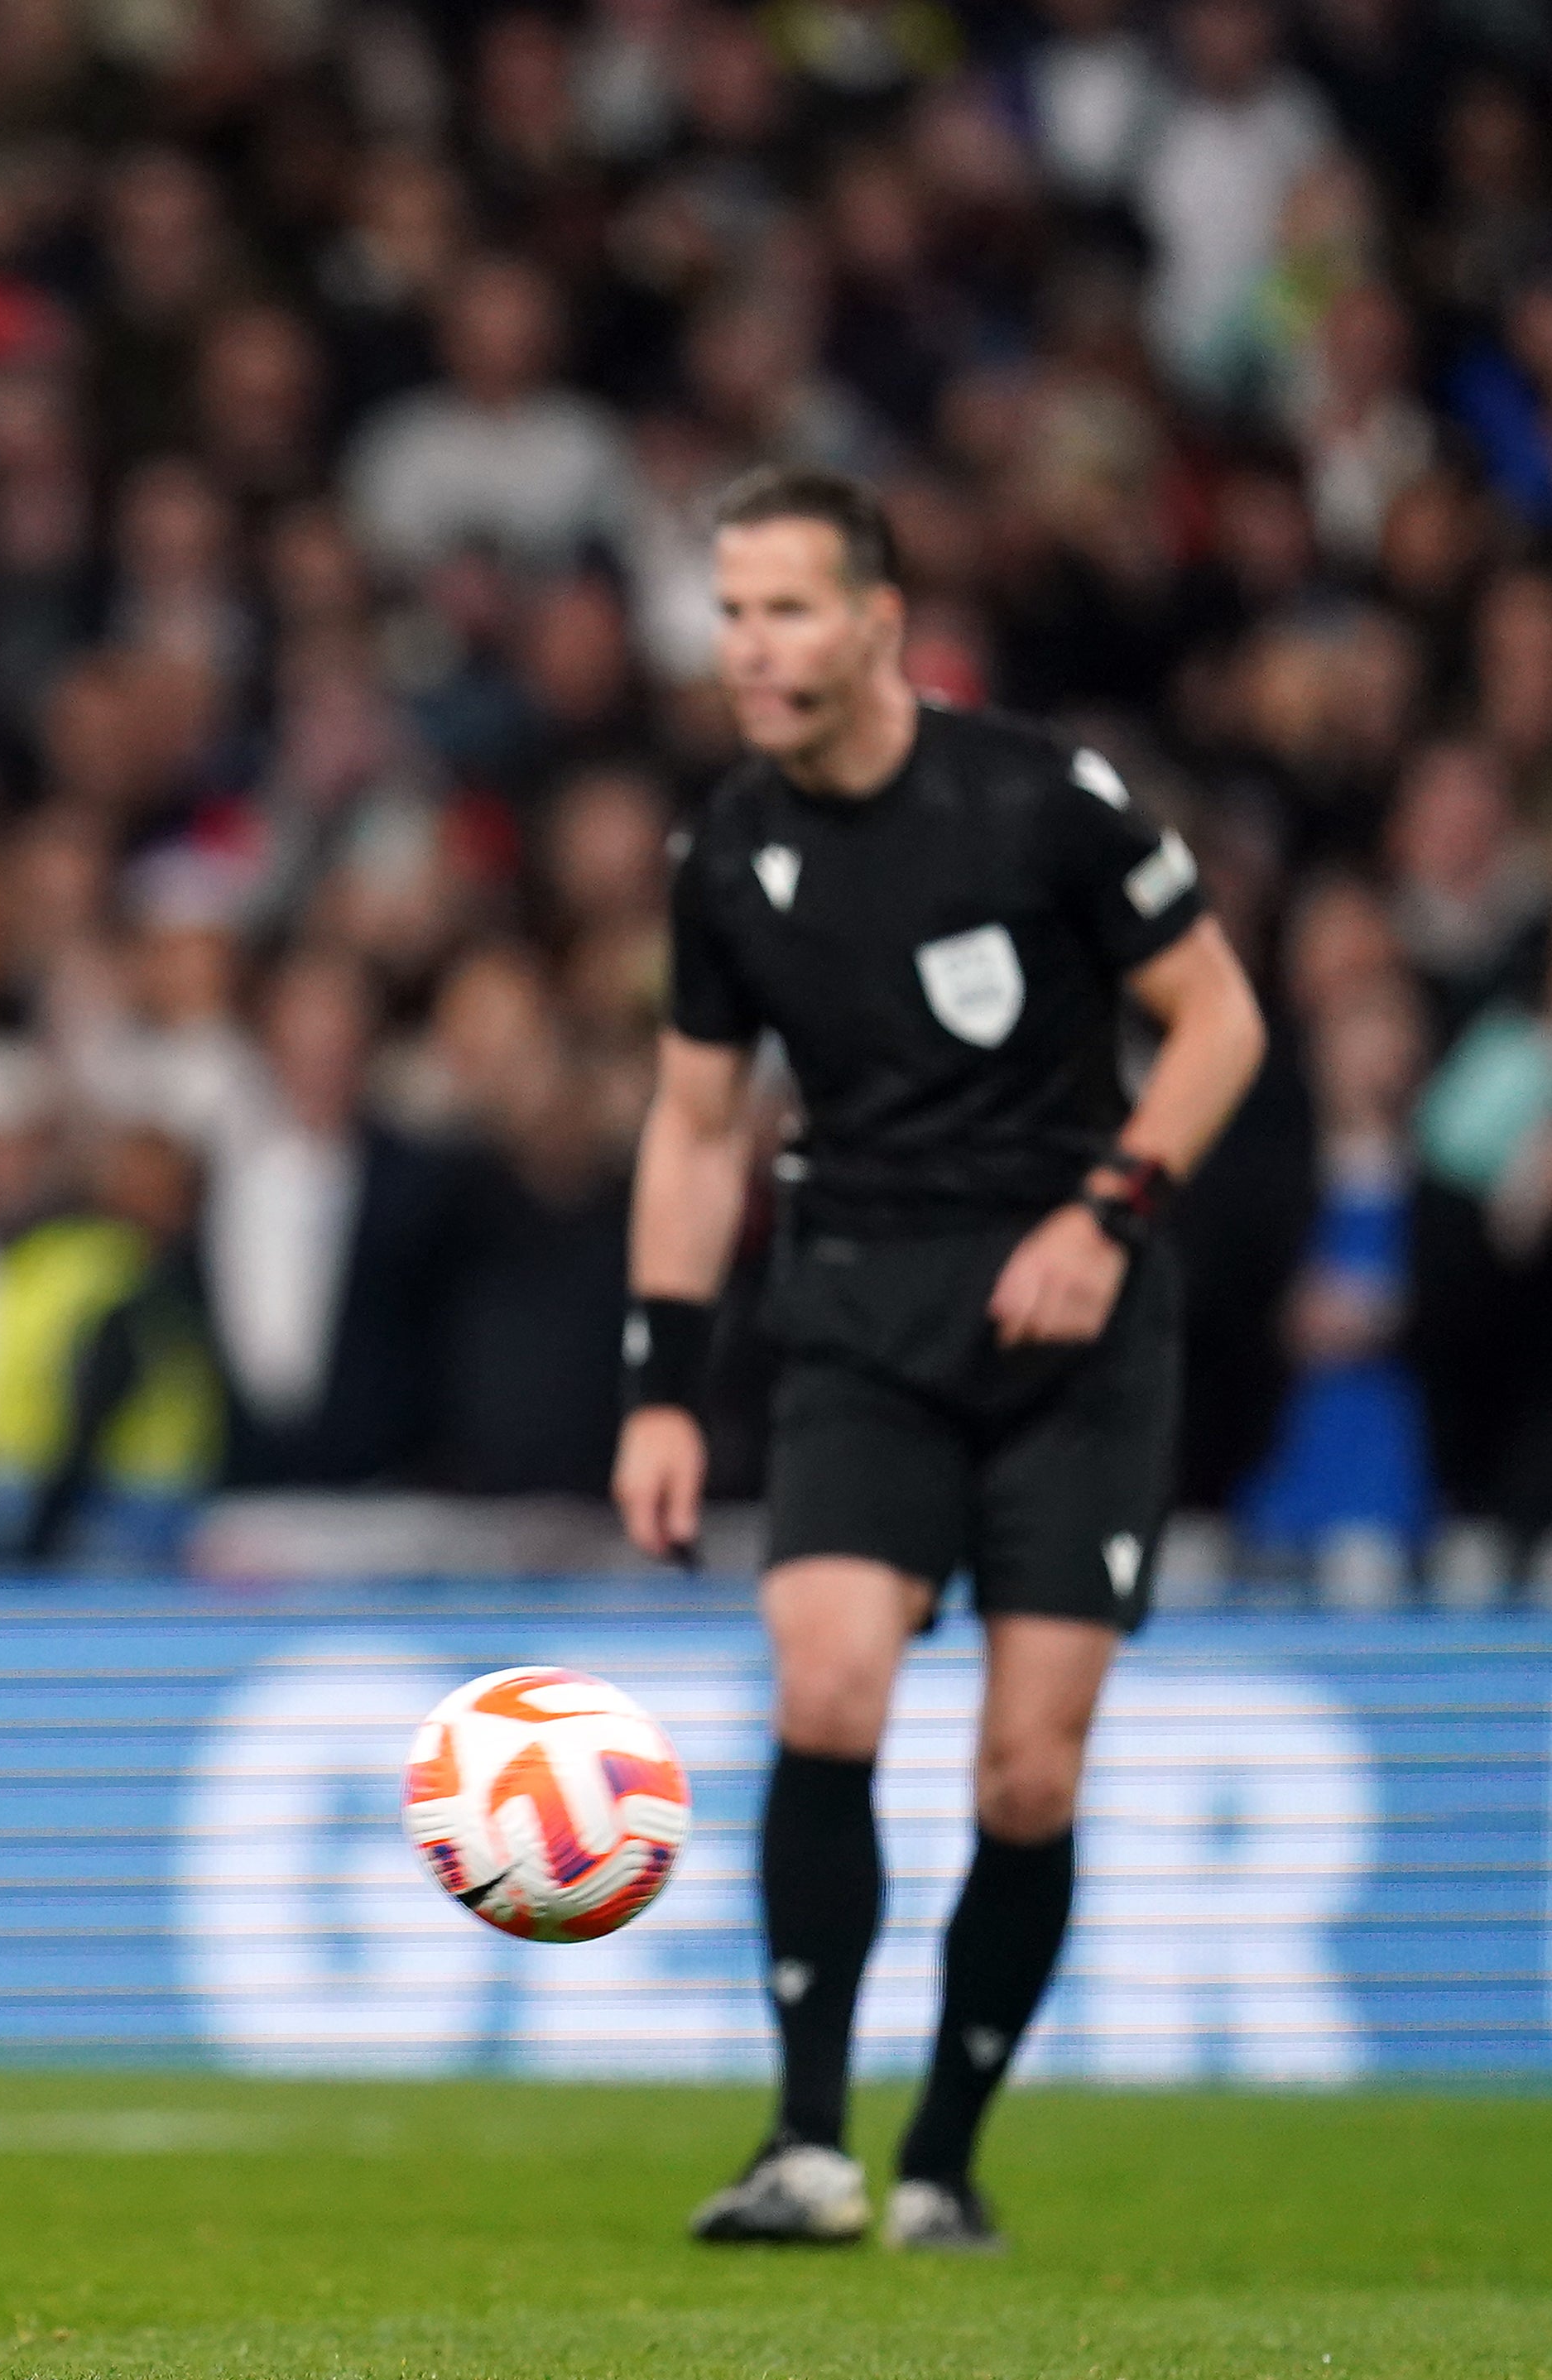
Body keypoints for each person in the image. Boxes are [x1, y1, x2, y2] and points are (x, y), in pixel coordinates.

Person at [616, 468, 1266, 2254]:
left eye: (785, 610)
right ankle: (805, 2142)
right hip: (855, 1320)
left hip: (1071, 1316)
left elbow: (1220, 1018)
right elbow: (689, 1133)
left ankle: (946, 2158)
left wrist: (1106, 1211)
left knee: (1025, 1775)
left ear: (877, 619)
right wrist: (662, 1382)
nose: (747, 647)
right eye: (731, 611)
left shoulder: (1036, 797)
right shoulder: (725, 856)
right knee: (825, 1684)